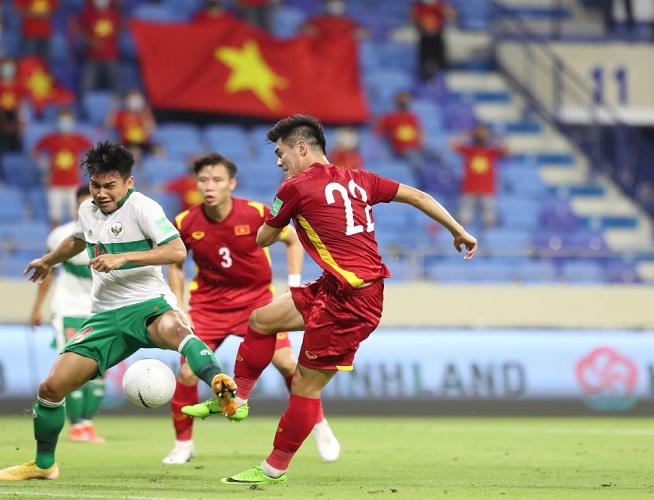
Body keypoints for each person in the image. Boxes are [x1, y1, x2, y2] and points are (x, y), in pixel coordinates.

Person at [183, 114, 477, 483]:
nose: (279, 162)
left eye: (281, 153)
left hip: (353, 300)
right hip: (335, 286)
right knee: (261, 319)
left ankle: (274, 468)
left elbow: (263, 239)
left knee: (305, 386)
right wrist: (458, 230)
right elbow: (417, 196)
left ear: (301, 148)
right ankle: (236, 398)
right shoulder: (361, 178)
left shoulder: (294, 187)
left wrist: (278, 212)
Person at [0, 140, 238, 481]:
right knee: (51, 389)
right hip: (106, 315)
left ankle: (218, 382)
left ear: (128, 182)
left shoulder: (143, 208)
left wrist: (123, 257)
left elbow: (177, 251)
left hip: (148, 303)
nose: (101, 193)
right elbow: (77, 240)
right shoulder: (87, 210)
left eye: (110, 185)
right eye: (96, 185)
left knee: (178, 331)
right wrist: (48, 261)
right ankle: (44, 464)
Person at [164, 153, 339, 465]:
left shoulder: (256, 212)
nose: (209, 186)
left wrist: (294, 284)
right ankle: (183, 445)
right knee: (188, 372)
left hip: (256, 302)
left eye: (217, 180)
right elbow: (176, 263)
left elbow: (293, 241)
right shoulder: (185, 221)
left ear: (232, 183)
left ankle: (319, 424)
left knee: (287, 363)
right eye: (203, 180)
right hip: (208, 307)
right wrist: (178, 305)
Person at [29, 185, 106, 444]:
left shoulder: (112, 235)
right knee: (72, 368)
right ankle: (76, 425)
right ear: (75, 209)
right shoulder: (61, 236)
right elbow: (48, 271)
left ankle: (87, 423)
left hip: (101, 310)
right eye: (82, 205)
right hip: (69, 308)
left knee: (99, 371)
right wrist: (37, 307)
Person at [32, 108, 93, 228]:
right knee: (55, 217)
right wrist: (43, 164)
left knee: (77, 217)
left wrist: (84, 166)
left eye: (67, 120)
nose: (65, 124)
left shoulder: (78, 139)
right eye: (62, 120)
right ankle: (54, 239)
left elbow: (93, 151)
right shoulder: (50, 139)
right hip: (54, 184)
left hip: (74, 184)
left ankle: (76, 240)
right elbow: (34, 152)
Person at [450, 123, 509, 229]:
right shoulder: (469, 150)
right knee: (463, 219)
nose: (481, 135)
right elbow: (452, 145)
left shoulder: (491, 152)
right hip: (469, 189)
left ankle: (487, 238)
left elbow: (507, 151)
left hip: (487, 190)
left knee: (488, 220)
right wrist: (467, 135)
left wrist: (495, 138)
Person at [375, 90, 442, 180]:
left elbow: (419, 132)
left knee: (433, 153)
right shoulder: (389, 117)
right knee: (414, 158)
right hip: (402, 149)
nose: (404, 103)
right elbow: (378, 133)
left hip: (417, 147)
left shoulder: (412, 116)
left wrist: (422, 142)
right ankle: (421, 181)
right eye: (401, 101)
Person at [79, 0, 122, 94]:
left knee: (115, 86)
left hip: (111, 56)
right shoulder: (88, 15)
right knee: (86, 87)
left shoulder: (115, 15)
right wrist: (91, 41)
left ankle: (117, 102)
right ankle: (85, 101)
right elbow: (81, 31)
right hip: (92, 56)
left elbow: (120, 29)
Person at [106, 88, 159, 162]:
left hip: (144, 143)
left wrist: (147, 112)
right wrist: (113, 107)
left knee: (159, 150)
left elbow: (153, 129)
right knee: (135, 151)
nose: (135, 102)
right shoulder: (122, 115)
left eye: (138, 99)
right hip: (127, 143)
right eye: (133, 99)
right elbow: (109, 125)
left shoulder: (144, 115)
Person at [410, 0, 456, 82]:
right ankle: (425, 80)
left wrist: (445, 10)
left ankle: (441, 80)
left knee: (440, 63)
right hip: (424, 38)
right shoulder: (418, 6)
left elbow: (452, 17)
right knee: (423, 63)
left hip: (437, 37)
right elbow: (412, 20)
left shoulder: (440, 5)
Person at [301, 0, 368, 39]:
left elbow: (364, 33)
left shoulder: (348, 22)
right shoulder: (317, 20)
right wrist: (308, 29)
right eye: (332, 4)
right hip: (320, 51)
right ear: (325, 5)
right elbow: (303, 28)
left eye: (338, 4)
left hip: (342, 51)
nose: (335, 6)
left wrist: (359, 33)